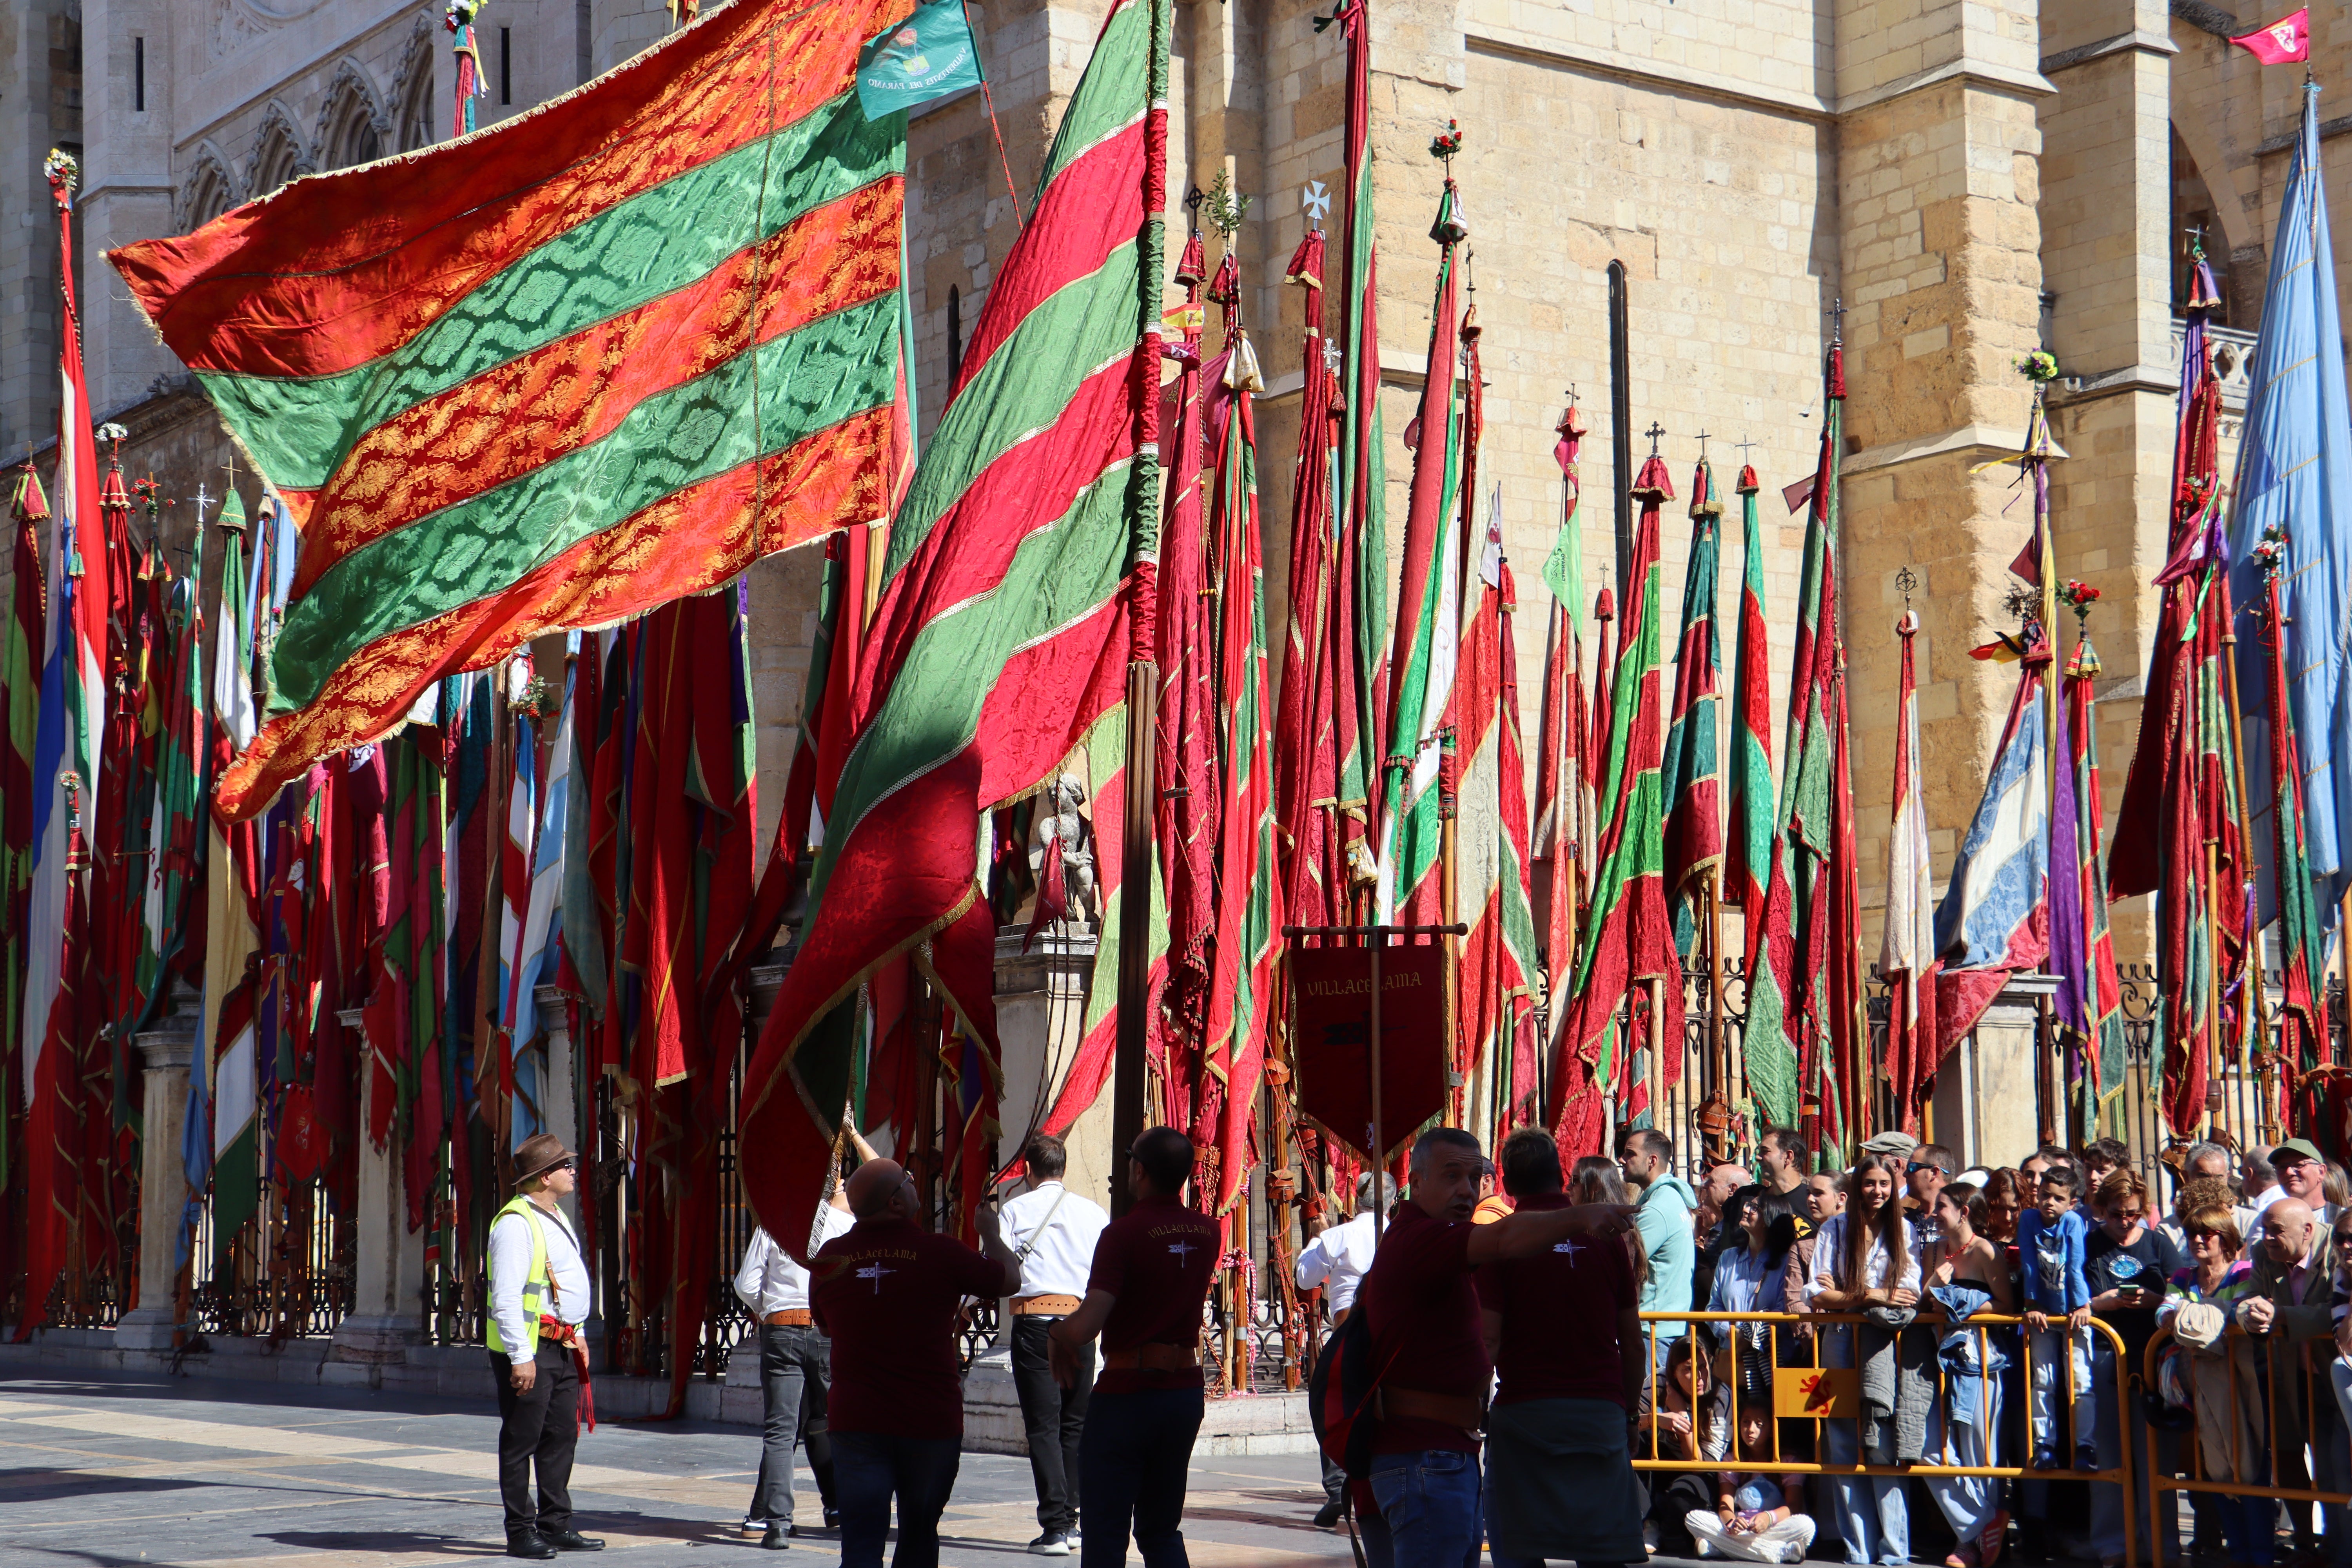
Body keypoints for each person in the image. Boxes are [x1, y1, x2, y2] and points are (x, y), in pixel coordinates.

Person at [1352, 1126, 1634, 1568]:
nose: (1465, 1190)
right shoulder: (1419, 1237)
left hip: (1449, 1453)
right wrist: (1581, 1217)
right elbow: (1503, 1240)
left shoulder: (1440, 1238)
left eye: (1473, 1177)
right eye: (1450, 1177)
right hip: (1423, 1454)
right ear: (1417, 1181)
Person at [810, 1157, 1023, 1568]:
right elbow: (1009, 1280)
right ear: (895, 1203)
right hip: (928, 1421)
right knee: (919, 1535)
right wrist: (992, 1234)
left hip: (858, 1420)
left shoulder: (831, 1258)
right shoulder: (939, 1252)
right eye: (908, 1180)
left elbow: (825, 1327)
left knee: (860, 1544)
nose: (914, 1183)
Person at [1048, 1127, 1218, 1568]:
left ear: (1139, 1170)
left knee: (1105, 1533)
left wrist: (1056, 1333)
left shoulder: (1123, 1235)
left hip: (1128, 1394)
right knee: (1161, 1529)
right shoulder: (1207, 1231)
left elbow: (1088, 1324)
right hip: (1182, 1391)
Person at [1478, 1127, 1644, 1568]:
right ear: (1560, 1175)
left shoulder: (1503, 1241)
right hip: (1599, 1412)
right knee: (1602, 1551)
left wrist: (1471, 1410)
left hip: (1526, 1412)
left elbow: (1488, 1339)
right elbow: (1631, 1339)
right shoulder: (1605, 1240)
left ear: (1508, 1184)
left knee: (1519, 1545)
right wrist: (1628, 1411)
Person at [486, 1133, 602, 1560]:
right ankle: (520, 1531)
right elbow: (508, 1296)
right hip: (531, 1349)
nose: (572, 1171)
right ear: (544, 1177)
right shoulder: (517, 1222)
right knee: (522, 1440)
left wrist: (580, 1330)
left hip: (563, 1343)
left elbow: (562, 1283)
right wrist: (521, 1356)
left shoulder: (554, 1214)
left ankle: (556, 1524)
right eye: (565, 1166)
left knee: (560, 1436)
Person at [732, 1164, 857, 1546]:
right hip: (825, 1329)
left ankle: (777, 1524)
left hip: (782, 1328)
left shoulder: (776, 1223)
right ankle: (845, 1507)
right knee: (836, 1422)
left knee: (780, 1430)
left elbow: (746, 1283)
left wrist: (766, 1308)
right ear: (835, 1184)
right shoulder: (845, 1226)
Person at [1804, 1151, 1918, 1567]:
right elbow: (1815, 1293)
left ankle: (1893, 1550)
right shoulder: (1834, 1228)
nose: (1876, 1191)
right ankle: (1859, 1548)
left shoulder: (1904, 1230)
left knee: (1882, 1442)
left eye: (1884, 1184)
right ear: (1856, 1188)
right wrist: (1870, 1294)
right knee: (1840, 1442)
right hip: (1836, 1341)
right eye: (1869, 1183)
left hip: (1884, 1346)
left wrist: (1849, 1294)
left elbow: (1907, 1292)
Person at [1000, 1131, 1112, 1556]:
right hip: (1081, 1322)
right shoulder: (1093, 1213)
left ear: (1028, 1170)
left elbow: (1000, 1268)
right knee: (1073, 1425)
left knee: (1044, 1427)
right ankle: (1072, 1520)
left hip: (1036, 1324)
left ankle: (1055, 1527)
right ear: (1062, 1169)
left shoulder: (1014, 1209)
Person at [2157, 1201, 2269, 1568]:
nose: (2199, 1240)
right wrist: (2195, 1318)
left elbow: (2239, 1311)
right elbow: (2165, 1313)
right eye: (2192, 1233)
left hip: (2243, 1381)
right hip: (2198, 1383)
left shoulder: (2245, 1271)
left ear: (2227, 1239)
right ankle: (2238, 1552)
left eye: (2208, 1233)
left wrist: (2190, 1318)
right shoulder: (2183, 1276)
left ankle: (2261, 1555)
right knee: (2217, 1467)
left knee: (2248, 1467)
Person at [2083, 1168, 2182, 1568]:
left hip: (2154, 1356)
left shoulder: (2158, 1242)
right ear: (2101, 1209)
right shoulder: (2089, 1244)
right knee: (2110, 1453)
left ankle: (2162, 1545)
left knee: (2156, 1459)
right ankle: (2113, 1544)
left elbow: (2181, 1293)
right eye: (2116, 1213)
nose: (2125, 1222)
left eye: (2133, 1213)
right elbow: (2073, 1299)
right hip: (2106, 1355)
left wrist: (2155, 1299)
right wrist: (2100, 1304)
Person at [2237, 1195, 2341, 1563]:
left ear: (2308, 1230)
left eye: (2276, 1231)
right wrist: (2250, 1313)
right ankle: (2306, 1542)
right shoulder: (2268, 1254)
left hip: (2337, 1375)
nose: (2266, 1238)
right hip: (2290, 1374)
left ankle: (2339, 1547)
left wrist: (2282, 1316)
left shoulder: (2337, 1245)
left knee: (2335, 1466)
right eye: (2264, 1230)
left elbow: (2339, 1309)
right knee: (2287, 1457)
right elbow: (2248, 1295)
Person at [1920, 1183, 2014, 1568]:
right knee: (1930, 1449)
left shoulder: (1985, 1251)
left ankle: (1976, 1548)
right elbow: (1924, 1301)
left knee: (1980, 1452)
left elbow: (2007, 1305)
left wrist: (1963, 1302)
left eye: (1941, 1205)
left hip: (1980, 1359)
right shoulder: (1932, 1251)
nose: (1933, 1211)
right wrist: (1935, 1287)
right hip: (1937, 1357)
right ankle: (1979, 1527)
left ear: (1963, 1211)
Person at [1296, 1171, 1393, 1528]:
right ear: (1393, 1201)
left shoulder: (1339, 1235)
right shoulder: (1399, 1233)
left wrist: (1318, 1238)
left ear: (1356, 1200)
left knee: (1333, 1404)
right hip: (1392, 1337)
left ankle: (1339, 1486)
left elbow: (1305, 1277)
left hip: (1350, 1334)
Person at [2016, 1162, 2094, 1471]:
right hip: (2043, 1313)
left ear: (2072, 1202)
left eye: (2058, 1198)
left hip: (2073, 1311)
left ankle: (2086, 1446)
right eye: (2045, 1195)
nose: (2049, 1203)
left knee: (2080, 1380)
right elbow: (2029, 1264)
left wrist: (2082, 1306)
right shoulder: (2028, 1219)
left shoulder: (2073, 1222)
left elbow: (2075, 1265)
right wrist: (2031, 1304)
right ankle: (2044, 1444)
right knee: (2043, 1379)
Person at [1682, 1401, 1821, 1565]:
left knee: (1806, 1525)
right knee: (1693, 1518)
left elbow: (1794, 1506)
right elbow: (1725, 1505)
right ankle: (1781, 1552)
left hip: (1774, 1527)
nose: (1751, 1429)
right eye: (1746, 1422)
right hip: (1740, 1530)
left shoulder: (1788, 1461)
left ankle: (1720, 1550)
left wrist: (1769, 1518)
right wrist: (1732, 1523)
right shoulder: (1732, 1460)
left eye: (1759, 1424)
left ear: (1772, 1431)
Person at [1705, 1186, 1793, 1410]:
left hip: (1771, 1364)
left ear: (1770, 1219)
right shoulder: (1728, 1258)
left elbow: (1786, 1310)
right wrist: (1730, 1332)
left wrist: (1749, 1337)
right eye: (1748, 1205)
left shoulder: (1786, 1262)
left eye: (1755, 1207)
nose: (1746, 1209)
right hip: (1730, 1361)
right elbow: (1713, 1306)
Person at [1622, 1129, 1700, 1365]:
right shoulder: (1671, 1198)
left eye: (1630, 1154)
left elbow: (1625, 1261)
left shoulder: (1658, 1208)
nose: (1622, 1159)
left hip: (1655, 1329)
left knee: (1648, 1401)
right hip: (1668, 1325)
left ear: (1652, 1161)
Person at [2252, 1138, 2336, 1243]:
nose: (2289, 1172)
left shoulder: (2340, 1217)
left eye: (2299, 1165)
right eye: (2282, 1167)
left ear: (2321, 1172)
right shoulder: (2266, 1220)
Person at [1907, 1145, 1955, 1250]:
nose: (1905, 1174)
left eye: (1912, 1168)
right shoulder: (1905, 1222)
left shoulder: (1960, 1219)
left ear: (1934, 1173)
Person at [1758, 1127, 1811, 1199]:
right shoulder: (1748, 1196)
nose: (1757, 1157)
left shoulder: (1810, 1202)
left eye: (1765, 1151)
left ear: (1788, 1157)